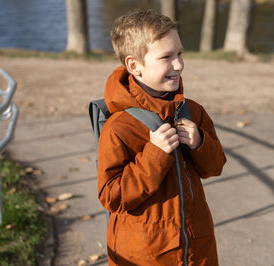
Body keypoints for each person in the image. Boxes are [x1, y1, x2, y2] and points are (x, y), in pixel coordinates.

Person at [97, 9, 226, 265]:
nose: (178, 65)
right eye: (166, 57)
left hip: (198, 247)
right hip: (145, 254)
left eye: (179, 53)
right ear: (134, 66)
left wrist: (199, 142)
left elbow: (215, 167)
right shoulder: (119, 127)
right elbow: (112, 196)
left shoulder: (192, 111)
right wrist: (155, 155)